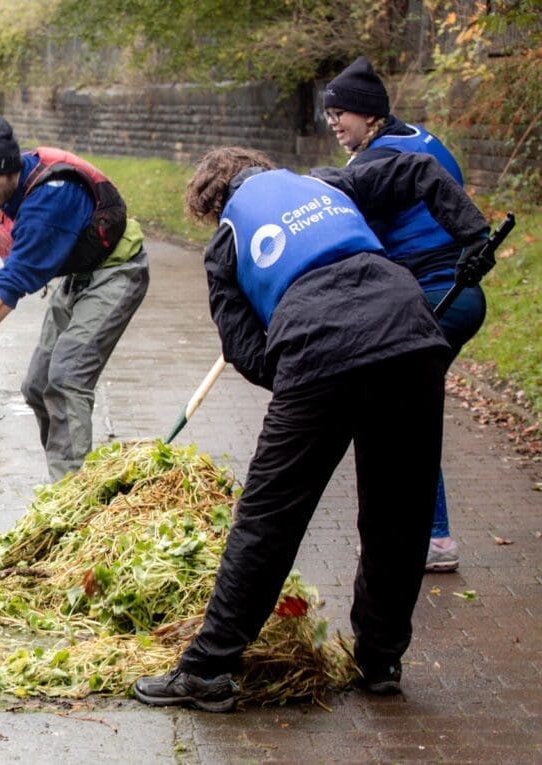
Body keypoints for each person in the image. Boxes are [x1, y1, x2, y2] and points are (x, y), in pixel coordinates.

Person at [132, 146, 490, 712]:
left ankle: (207, 668)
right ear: (264, 167)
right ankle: (380, 659)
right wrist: (473, 236)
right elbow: (418, 170)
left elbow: (241, 345)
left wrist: (300, 375)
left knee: (269, 517)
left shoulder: (226, 241)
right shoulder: (327, 183)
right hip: (411, 329)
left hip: (316, 352)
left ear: (212, 203)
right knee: (400, 509)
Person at [0, 115, 149, 481]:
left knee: (67, 379)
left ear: (11, 170)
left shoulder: (49, 203)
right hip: (78, 278)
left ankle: (70, 493)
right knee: (36, 386)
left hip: (117, 273)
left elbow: (4, 298)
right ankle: (69, 475)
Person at [324, 56, 483, 572]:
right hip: (462, 296)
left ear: (371, 115)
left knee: (396, 415)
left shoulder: (372, 164)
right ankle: (428, 535)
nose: (333, 121)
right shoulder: (425, 139)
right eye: (329, 113)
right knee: (408, 411)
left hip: (431, 298)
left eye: (342, 112)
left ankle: (429, 538)